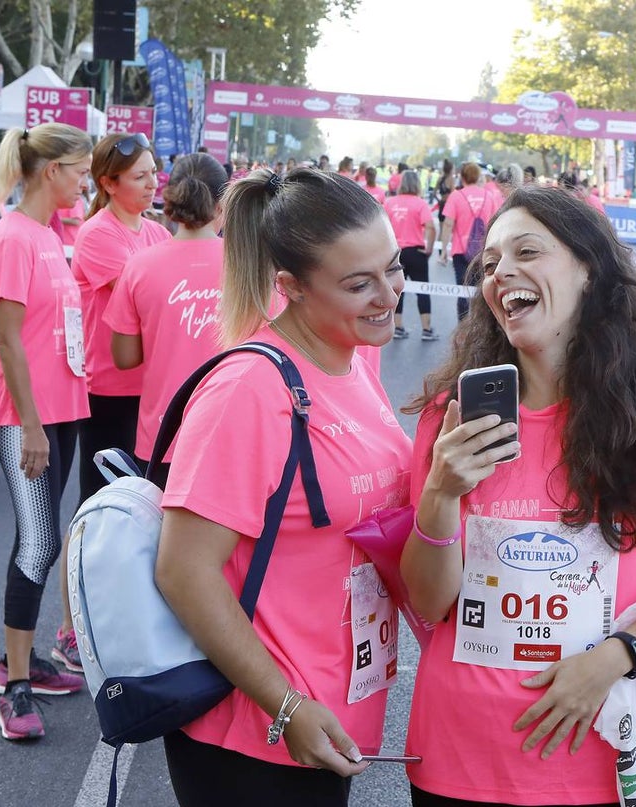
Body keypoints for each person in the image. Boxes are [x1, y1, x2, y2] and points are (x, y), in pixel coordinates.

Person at [399, 185, 636, 806]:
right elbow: (428, 599)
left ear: (588, 269)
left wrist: (615, 657)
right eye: (491, 262)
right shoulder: (452, 419)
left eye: (529, 251)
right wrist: (442, 493)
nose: (503, 274)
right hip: (457, 755)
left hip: (605, 753)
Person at [153, 167, 412, 805]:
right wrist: (285, 705)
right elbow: (185, 571)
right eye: (359, 283)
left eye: (394, 266)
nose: (388, 295)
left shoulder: (351, 361)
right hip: (254, 732)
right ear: (291, 287)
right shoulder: (250, 389)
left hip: (329, 714)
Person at [0, 123, 92, 740]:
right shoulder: (13, 239)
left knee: (40, 539)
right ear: (53, 172)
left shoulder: (47, 235)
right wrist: (30, 424)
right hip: (29, 416)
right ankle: (13, 686)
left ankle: (22, 662)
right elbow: (6, 339)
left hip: (61, 407)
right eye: (79, 170)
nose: (85, 181)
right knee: (40, 544)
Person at [104, 152, 228, 481]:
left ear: (170, 197)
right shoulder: (250, 266)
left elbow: (125, 356)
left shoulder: (140, 265)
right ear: (223, 203)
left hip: (162, 434)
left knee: (160, 531)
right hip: (231, 434)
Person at [70, 132, 169, 507]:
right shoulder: (97, 233)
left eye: (153, 173)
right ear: (109, 183)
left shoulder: (157, 232)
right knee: (101, 502)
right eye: (140, 176)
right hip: (110, 386)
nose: (152, 182)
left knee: (144, 500)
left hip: (152, 383)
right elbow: (148, 298)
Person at [440, 162, 501, 320]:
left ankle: (463, 329)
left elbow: (448, 224)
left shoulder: (456, 196)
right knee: (483, 291)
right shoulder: (489, 196)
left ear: (462, 177)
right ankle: (482, 328)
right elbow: (497, 224)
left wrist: (443, 251)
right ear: (478, 176)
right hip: (483, 251)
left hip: (460, 251)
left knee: (463, 291)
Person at [385, 170, 438, 341]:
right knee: (423, 290)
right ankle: (426, 329)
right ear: (417, 184)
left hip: (395, 253)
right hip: (416, 252)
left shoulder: (390, 202)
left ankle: (397, 327)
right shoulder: (420, 203)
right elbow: (430, 227)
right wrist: (429, 248)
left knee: (397, 290)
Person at [434, 159, 455, 224]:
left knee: (441, 228)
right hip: (448, 205)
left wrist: (439, 201)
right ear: (451, 169)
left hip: (442, 203)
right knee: (447, 228)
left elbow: (434, 193)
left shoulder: (440, 179)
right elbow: (453, 194)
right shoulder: (451, 179)